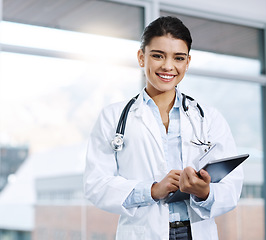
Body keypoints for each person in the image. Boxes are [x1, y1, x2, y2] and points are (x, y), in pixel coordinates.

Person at [84, 16, 243, 240]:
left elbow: (232, 187)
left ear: (187, 62)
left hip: (196, 231)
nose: (168, 66)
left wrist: (204, 192)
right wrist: (152, 190)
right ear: (141, 57)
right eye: (158, 55)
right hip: (143, 232)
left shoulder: (209, 118)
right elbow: (96, 185)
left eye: (178, 58)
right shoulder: (113, 117)